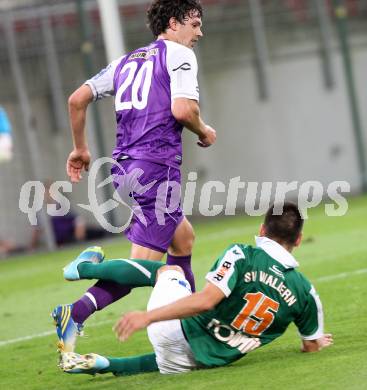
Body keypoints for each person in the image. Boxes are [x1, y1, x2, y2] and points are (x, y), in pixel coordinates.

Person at [53, 0, 216, 352]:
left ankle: (184, 323)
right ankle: (81, 286)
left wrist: (80, 149)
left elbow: (76, 99)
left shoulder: (125, 62)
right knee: (143, 268)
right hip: (156, 167)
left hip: (125, 166)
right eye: (195, 23)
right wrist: (204, 130)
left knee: (183, 239)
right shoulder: (179, 55)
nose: (199, 32)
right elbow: (183, 109)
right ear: (173, 23)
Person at [56, 202, 333, 376]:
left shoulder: (242, 254)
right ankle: (105, 365)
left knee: (171, 270)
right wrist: (317, 342)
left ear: (262, 230)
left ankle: (84, 269)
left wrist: (147, 317)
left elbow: (206, 301)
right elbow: (311, 345)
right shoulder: (305, 292)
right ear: (298, 239)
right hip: (212, 359)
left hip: (170, 329)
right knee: (183, 242)